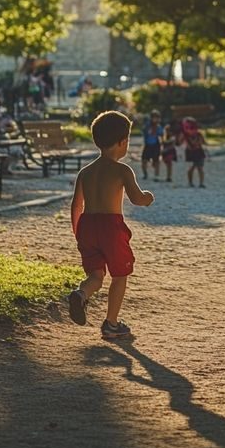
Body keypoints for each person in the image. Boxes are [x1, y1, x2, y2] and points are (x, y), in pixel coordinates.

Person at [67, 111, 155, 340]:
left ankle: (81, 293)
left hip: (87, 226)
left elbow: (76, 206)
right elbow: (136, 198)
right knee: (120, 274)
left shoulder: (85, 172)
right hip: (110, 227)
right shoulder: (122, 170)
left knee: (96, 275)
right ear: (123, 142)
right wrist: (147, 197)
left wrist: (78, 233)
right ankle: (111, 324)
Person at [183, 117, 207, 188]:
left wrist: (199, 141)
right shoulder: (186, 136)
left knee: (200, 168)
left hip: (199, 152)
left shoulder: (199, 134)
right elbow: (186, 144)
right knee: (191, 167)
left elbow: (202, 142)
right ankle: (190, 182)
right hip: (191, 153)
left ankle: (201, 183)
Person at [141, 110, 164, 181]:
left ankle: (156, 175)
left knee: (156, 161)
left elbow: (161, 135)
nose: (155, 119)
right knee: (144, 160)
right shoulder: (147, 125)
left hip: (155, 145)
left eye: (157, 118)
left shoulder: (159, 127)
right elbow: (144, 131)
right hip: (148, 145)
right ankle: (145, 174)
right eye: (154, 117)